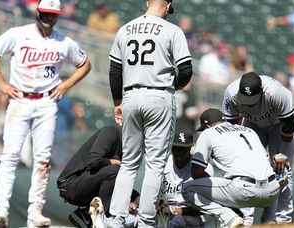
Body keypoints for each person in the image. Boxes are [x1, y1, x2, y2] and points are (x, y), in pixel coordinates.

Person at [0, 0, 92, 226]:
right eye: (45, 13)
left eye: (52, 14)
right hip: (19, 99)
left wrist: (65, 85)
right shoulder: (18, 34)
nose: (48, 18)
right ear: (38, 12)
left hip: (46, 103)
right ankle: (1, 208)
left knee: (42, 160)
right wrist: (1, 83)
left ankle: (35, 211)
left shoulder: (63, 42)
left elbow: (85, 64)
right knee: (10, 155)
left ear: (57, 16)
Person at [108, 0, 193, 227]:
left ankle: (116, 220)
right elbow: (185, 71)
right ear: (167, 5)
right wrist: (167, 87)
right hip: (159, 95)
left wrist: (118, 102)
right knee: (155, 164)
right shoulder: (172, 30)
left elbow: (115, 71)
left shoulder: (125, 29)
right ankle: (146, 222)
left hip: (130, 96)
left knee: (128, 164)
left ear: (147, 2)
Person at [181, 108, 281, 228]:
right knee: (269, 178)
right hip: (273, 191)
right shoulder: (249, 130)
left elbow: (196, 172)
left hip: (244, 191)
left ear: (207, 126)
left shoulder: (209, 133)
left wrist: (221, 199)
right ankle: (269, 219)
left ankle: (229, 218)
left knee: (187, 189)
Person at [221, 72, 294, 224]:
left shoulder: (277, 93)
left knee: (283, 171)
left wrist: (281, 153)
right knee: (246, 169)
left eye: (252, 100)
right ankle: (245, 220)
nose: (249, 104)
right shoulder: (231, 93)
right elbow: (230, 129)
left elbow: (288, 126)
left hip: (279, 125)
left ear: (261, 92)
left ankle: (282, 220)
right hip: (252, 125)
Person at [57, 126, 139, 228]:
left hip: (89, 184)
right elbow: (94, 162)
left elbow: (117, 183)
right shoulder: (111, 132)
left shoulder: (131, 150)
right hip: (70, 185)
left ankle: (85, 216)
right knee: (114, 170)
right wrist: (115, 162)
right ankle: (106, 218)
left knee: (131, 192)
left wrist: (135, 198)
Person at [158, 127, 213, 227]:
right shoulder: (161, 164)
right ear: (170, 147)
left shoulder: (202, 168)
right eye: (176, 148)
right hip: (164, 214)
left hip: (192, 216)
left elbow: (207, 206)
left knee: (175, 222)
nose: (179, 152)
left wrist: (179, 211)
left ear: (190, 148)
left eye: (183, 149)